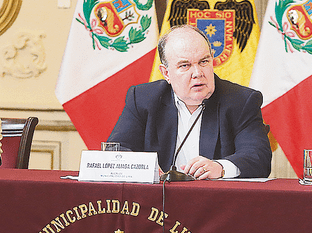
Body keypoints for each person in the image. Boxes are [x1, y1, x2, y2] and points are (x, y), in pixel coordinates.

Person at [108, 25, 271, 179]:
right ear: (166, 73)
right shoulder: (143, 99)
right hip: (157, 204)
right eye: (185, 65)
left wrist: (220, 168)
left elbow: (258, 157)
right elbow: (115, 150)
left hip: (218, 203)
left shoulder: (241, 101)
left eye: (204, 61)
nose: (198, 73)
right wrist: (143, 167)